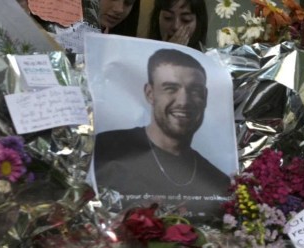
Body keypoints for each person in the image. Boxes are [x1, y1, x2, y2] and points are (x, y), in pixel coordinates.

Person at [93, 48, 231, 221]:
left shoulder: (219, 183)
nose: (184, 102)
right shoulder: (105, 149)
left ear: (205, 97)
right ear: (150, 94)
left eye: (195, 91)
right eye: (171, 88)